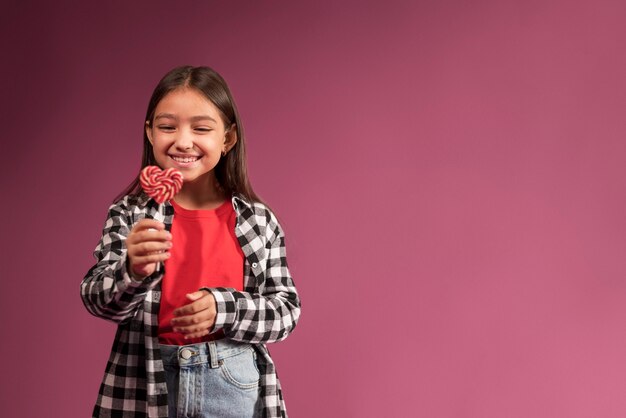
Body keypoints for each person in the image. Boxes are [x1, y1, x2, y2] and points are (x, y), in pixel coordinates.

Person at [81, 65, 301, 418]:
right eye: (168, 127)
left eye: (201, 128)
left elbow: (286, 311)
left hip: (232, 382)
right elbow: (97, 300)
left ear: (228, 139)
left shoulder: (258, 221)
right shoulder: (130, 214)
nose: (183, 141)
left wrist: (222, 309)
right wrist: (132, 270)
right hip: (146, 380)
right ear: (150, 133)